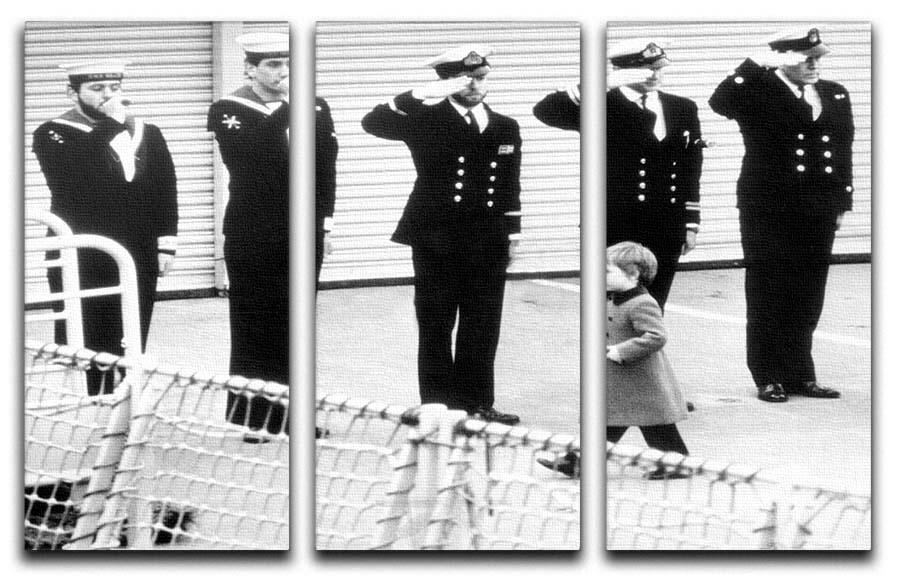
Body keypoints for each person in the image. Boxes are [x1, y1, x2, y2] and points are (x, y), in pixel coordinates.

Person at [361, 44, 522, 425]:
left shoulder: (505, 125)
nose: (473, 86)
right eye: (463, 80)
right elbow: (373, 121)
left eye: (479, 78)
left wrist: (513, 233)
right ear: (445, 82)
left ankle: (477, 402)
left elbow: (510, 184)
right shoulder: (425, 118)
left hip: (489, 237)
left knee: (482, 323)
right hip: (436, 235)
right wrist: (420, 95)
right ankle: (437, 404)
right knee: (436, 322)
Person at [709, 27, 851, 403]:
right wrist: (758, 63)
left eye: (818, 57)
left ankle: (801, 374)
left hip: (818, 208)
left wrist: (841, 201)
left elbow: (842, 149)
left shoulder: (835, 92)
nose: (813, 64)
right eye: (805, 57)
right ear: (783, 58)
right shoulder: (757, 90)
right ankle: (768, 375)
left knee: (808, 292)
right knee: (769, 291)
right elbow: (719, 101)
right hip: (769, 207)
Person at [33, 60, 178, 395]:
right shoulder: (52, 133)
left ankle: (128, 396)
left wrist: (166, 242)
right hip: (84, 243)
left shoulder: (146, 131)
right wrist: (111, 126)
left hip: (137, 242)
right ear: (73, 93)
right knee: (92, 325)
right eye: (96, 89)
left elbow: (164, 187)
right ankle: (98, 398)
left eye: (114, 88)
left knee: (133, 323)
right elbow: (73, 180)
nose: (107, 96)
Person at [208, 32, 290, 436]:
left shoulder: (310, 106)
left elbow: (325, 166)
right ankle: (252, 416)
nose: (283, 71)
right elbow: (250, 157)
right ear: (250, 68)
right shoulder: (227, 109)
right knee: (254, 322)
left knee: (294, 322)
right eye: (273, 64)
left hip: (300, 229)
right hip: (252, 229)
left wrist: (325, 221)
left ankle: (292, 414)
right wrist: (292, 109)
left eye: (287, 62)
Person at [606, 39, 703, 310]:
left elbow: (690, 167)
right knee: (612, 310)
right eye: (647, 70)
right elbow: (546, 110)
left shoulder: (682, 108)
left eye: (659, 68)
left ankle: (646, 354)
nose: (655, 75)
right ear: (623, 71)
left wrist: (690, 221)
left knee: (653, 308)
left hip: (666, 224)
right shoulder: (602, 105)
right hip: (617, 224)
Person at [605, 242, 691, 480]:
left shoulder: (642, 302)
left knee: (658, 428)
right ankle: (578, 462)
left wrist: (623, 350)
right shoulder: (616, 298)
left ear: (633, 275)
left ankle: (678, 464)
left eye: (607, 272)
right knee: (607, 422)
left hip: (644, 380)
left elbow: (656, 336)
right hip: (624, 381)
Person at [315, 96, 337, 286]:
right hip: (260, 223)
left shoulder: (318, 106)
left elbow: (327, 172)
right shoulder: (234, 105)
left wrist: (326, 229)